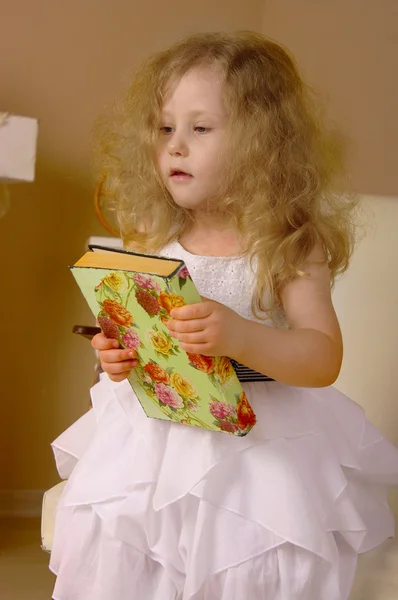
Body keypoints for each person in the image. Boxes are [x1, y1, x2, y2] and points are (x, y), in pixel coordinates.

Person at [49, 31, 398, 600]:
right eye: (165, 129)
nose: (175, 147)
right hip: (154, 438)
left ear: (262, 143)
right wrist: (118, 356)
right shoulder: (152, 236)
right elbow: (145, 341)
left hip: (256, 441)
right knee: (125, 555)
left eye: (200, 128)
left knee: (247, 557)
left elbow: (322, 356)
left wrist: (239, 335)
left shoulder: (286, 244)